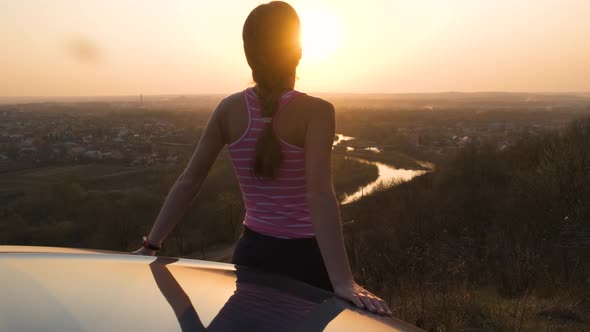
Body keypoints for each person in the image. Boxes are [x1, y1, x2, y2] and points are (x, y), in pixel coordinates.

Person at [133, 1, 392, 316]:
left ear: (249, 54)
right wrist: (343, 281)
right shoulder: (318, 112)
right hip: (308, 261)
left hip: (252, 254)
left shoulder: (228, 110)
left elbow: (189, 181)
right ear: (297, 51)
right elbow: (320, 195)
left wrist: (152, 245)